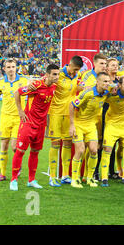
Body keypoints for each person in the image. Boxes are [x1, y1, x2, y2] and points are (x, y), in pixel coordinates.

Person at [9, 64, 60, 191]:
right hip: (28, 123)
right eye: (54, 74)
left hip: (41, 125)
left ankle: (31, 180)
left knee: (35, 152)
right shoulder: (36, 85)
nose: (57, 77)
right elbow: (17, 92)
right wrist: (20, 111)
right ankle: (13, 180)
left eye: (58, 74)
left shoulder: (54, 86)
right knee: (20, 151)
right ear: (47, 74)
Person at [0, 58, 29, 182]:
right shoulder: (0, 83)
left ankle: (18, 166)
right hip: (5, 117)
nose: (11, 69)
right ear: (4, 69)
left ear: (16, 68)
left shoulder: (24, 81)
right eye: (8, 67)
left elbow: (31, 96)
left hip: (19, 118)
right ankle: (2, 174)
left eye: (13, 67)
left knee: (15, 146)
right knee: (3, 145)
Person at [45, 56, 83, 187]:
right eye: (74, 69)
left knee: (67, 144)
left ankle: (65, 175)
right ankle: (52, 177)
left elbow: (73, 90)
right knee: (55, 144)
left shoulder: (77, 75)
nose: (75, 72)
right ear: (70, 65)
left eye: (77, 70)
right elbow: (46, 83)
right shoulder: (58, 74)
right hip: (55, 113)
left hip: (69, 115)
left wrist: (81, 88)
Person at [69, 72, 111, 188]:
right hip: (79, 124)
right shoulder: (88, 93)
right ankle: (74, 178)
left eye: (108, 81)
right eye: (104, 81)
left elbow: (118, 89)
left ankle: (90, 178)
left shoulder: (106, 93)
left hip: (91, 125)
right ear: (97, 82)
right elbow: (72, 105)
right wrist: (72, 125)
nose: (107, 84)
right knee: (80, 150)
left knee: (94, 150)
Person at [101, 76, 124, 186]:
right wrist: (109, 90)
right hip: (112, 126)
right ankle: (104, 178)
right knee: (107, 149)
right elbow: (100, 92)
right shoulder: (112, 95)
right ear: (119, 85)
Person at [79, 53, 107, 181]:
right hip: (86, 117)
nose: (104, 66)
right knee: (84, 146)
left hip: (100, 117)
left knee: (97, 146)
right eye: (101, 63)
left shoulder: (105, 78)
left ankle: (91, 174)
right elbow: (79, 89)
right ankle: (81, 174)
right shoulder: (87, 75)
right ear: (94, 63)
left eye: (105, 64)